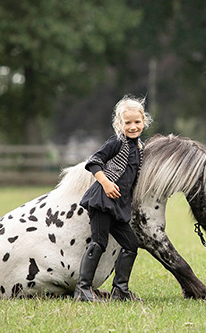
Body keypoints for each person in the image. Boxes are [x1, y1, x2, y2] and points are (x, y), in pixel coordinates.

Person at [74, 95, 152, 302]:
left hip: (119, 206)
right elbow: (94, 163)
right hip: (102, 201)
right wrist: (106, 183)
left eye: (137, 122)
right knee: (99, 242)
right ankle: (82, 289)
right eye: (128, 123)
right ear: (119, 124)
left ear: (144, 121)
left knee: (131, 244)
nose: (133, 127)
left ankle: (120, 290)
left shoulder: (140, 148)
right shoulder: (117, 142)